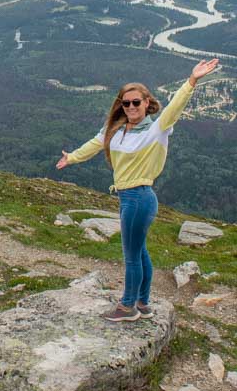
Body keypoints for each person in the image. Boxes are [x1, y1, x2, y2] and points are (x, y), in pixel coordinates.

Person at [57, 58, 220, 322]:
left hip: (138, 198)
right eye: (126, 102)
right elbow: (94, 144)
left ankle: (127, 307)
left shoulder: (157, 129)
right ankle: (143, 303)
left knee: (131, 256)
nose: (131, 107)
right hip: (130, 199)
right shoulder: (115, 130)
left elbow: (175, 108)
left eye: (136, 102)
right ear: (121, 105)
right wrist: (72, 157)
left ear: (147, 103)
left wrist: (191, 81)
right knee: (140, 251)